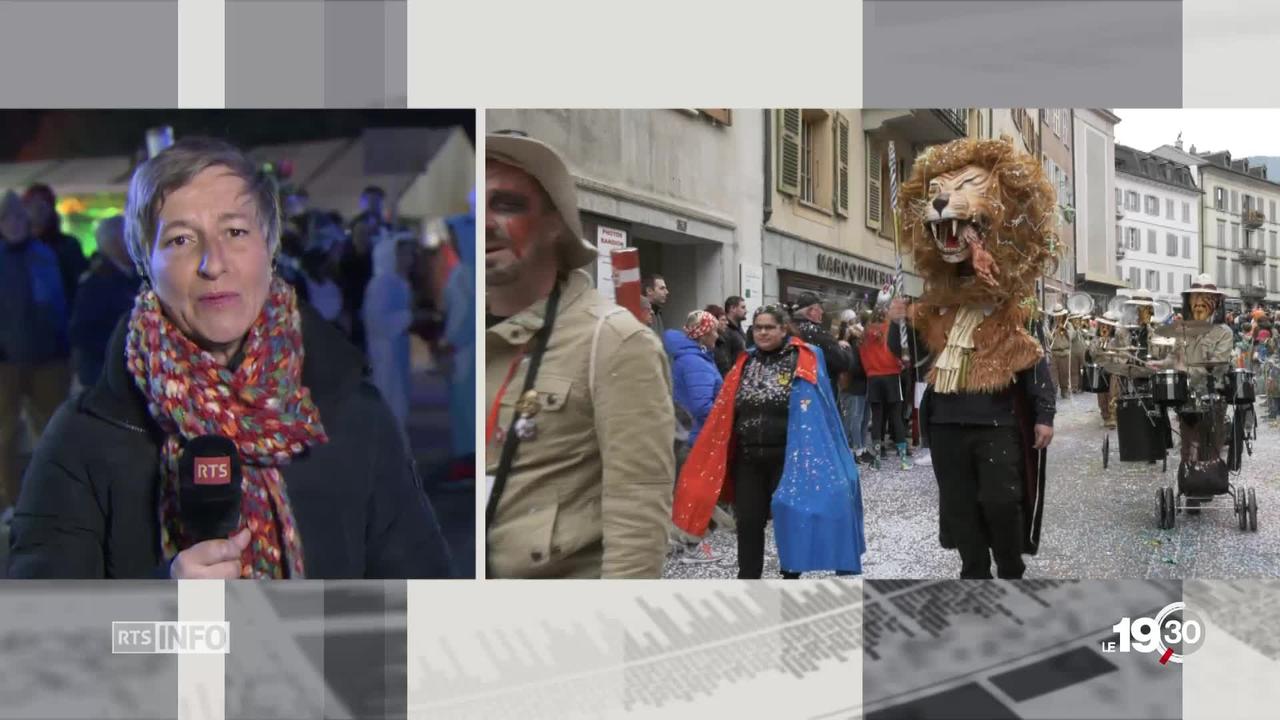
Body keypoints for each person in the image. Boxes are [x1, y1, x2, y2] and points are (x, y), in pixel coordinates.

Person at [7, 137, 451, 579]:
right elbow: (39, 633)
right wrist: (160, 607)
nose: (213, 263)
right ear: (145, 262)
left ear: (271, 248)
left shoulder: (355, 415)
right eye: (181, 240)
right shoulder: (86, 434)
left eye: (235, 232)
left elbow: (422, 605)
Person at [485, 132, 674, 579]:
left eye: (507, 205)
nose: (484, 221)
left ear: (557, 223)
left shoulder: (613, 341)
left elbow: (637, 517)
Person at [898, 136, 1057, 580]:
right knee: (959, 504)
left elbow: (1036, 362)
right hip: (946, 422)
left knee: (1001, 500)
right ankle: (973, 572)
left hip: (996, 422)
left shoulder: (1015, 302)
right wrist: (897, 324)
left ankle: (1009, 568)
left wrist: (1044, 414)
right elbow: (908, 360)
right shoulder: (932, 307)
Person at [672, 306, 864, 579]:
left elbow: (821, 408)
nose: (762, 332)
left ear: (783, 329)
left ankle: (789, 580)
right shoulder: (745, 361)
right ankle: (748, 581)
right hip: (749, 459)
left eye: (769, 327)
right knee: (748, 524)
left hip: (789, 458)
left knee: (791, 521)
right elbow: (726, 408)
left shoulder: (805, 358)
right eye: (758, 327)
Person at [0, 191, 71, 516]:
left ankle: (56, 497)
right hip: (7, 363)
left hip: (48, 360)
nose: (13, 224)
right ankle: (13, 500)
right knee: (7, 435)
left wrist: (60, 345)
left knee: (52, 431)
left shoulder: (44, 254)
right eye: (6, 219)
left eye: (17, 217)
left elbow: (57, 302)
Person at [1148, 275, 1233, 507]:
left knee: (1211, 444)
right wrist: (1160, 365)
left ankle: (1209, 483)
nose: (1200, 303)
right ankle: (1191, 489)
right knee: (1189, 445)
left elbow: (1219, 363)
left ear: (1215, 302)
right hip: (1187, 397)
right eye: (1196, 297)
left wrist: (1186, 369)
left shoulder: (1224, 332)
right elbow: (1173, 358)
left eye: (1206, 298)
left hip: (1213, 396)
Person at [68, 215, 141, 388]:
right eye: (129, 236)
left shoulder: (139, 276)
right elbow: (82, 332)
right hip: (105, 375)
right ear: (113, 242)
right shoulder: (95, 283)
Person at [364, 233, 421, 440]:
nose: (410, 259)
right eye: (404, 254)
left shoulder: (399, 283)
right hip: (385, 352)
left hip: (398, 348)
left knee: (399, 400)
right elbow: (377, 322)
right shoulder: (381, 284)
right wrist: (409, 317)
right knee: (389, 398)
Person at [859, 299, 910, 470]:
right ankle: (903, 460)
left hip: (873, 377)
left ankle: (877, 460)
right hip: (891, 376)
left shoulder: (865, 333)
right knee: (896, 417)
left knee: (878, 418)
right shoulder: (891, 329)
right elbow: (901, 354)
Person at [23, 184, 88, 307]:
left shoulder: (68, 245)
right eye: (33, 204)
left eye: (43, 204)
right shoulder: (15, 248)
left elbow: (78, 285)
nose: (38, 209)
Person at [789, 292, 854, 403]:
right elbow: (843, 362)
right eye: (819, 308)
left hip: (793, 393)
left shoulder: (787, 329)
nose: (822, 312)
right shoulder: (816, 332)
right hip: (818, 395)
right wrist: (846, 348)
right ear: (811, 311)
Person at [1086, 311, 1123, 429]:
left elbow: (1122, 355)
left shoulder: (1117, 339)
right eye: (1103, 325)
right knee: (1102, 395)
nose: (1105, 327)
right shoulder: (1096, 338)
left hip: (1113, 369)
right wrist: (1100, 341)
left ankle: (1113, 416)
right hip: (1100, 368)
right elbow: (1092, 353)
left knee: (1113, 393)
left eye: (1108, 325)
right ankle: (1105, 415)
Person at [1047, 304, 1073, 400]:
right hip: (1053, 353)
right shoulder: (1051, 325)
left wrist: (1064, 330)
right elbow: (1048, 338)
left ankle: (1064, 391)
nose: (1058, 317)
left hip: (1065, 353)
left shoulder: (1068, 324)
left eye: (1060, 315)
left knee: (1064, 374)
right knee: (1053, 374)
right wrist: (1053, 331)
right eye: (1056, 315)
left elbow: (1072, 336)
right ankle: (1053, 391)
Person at [722, 295, 749, 365]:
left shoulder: (738, 328)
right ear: (732, 308)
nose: (746, 311)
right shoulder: (725, 331)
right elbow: (724, 361)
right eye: (743, 307)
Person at [1069, 313, 1089, 393]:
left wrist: (1082, 329)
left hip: (1083, 351)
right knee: (1074, 370)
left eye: (1078, 318)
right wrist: (1075, 329)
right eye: (1075, 319)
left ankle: (1084, 386)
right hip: (1073, 351)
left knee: (1085, 369)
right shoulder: (1070, 326)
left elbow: (1087, 334)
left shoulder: (1082, 325)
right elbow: (1071, 337)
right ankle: (1074, 387)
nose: (1077, 320)